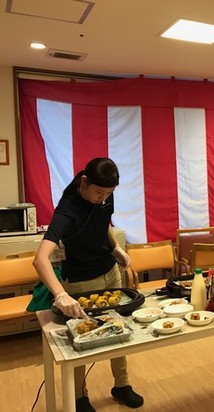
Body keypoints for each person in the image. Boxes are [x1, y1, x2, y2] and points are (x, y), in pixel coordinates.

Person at [33, 158, 144, 412]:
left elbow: (104, 222)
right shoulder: (67, 211)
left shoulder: (104, 195)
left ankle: (122, 385)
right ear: (84, 182)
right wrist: (61, 294)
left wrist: (115, 248)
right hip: (82, 281)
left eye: (109, 194)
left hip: (110, 272)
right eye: (99, 193)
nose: (103, 198)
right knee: (81, 337)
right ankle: (79, 397)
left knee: (119, 328)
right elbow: (40, 259)